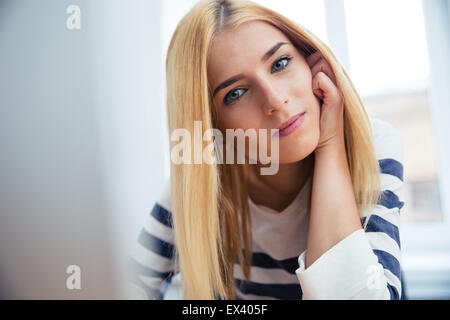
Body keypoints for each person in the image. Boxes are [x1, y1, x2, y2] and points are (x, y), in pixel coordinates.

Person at [126, 0, 404, 300]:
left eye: (280, 64)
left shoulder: (370, 145)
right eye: (235, 93)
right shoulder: (199, 186)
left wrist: (331, 144)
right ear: (213, 124)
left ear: (312, 63)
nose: (274, 99)